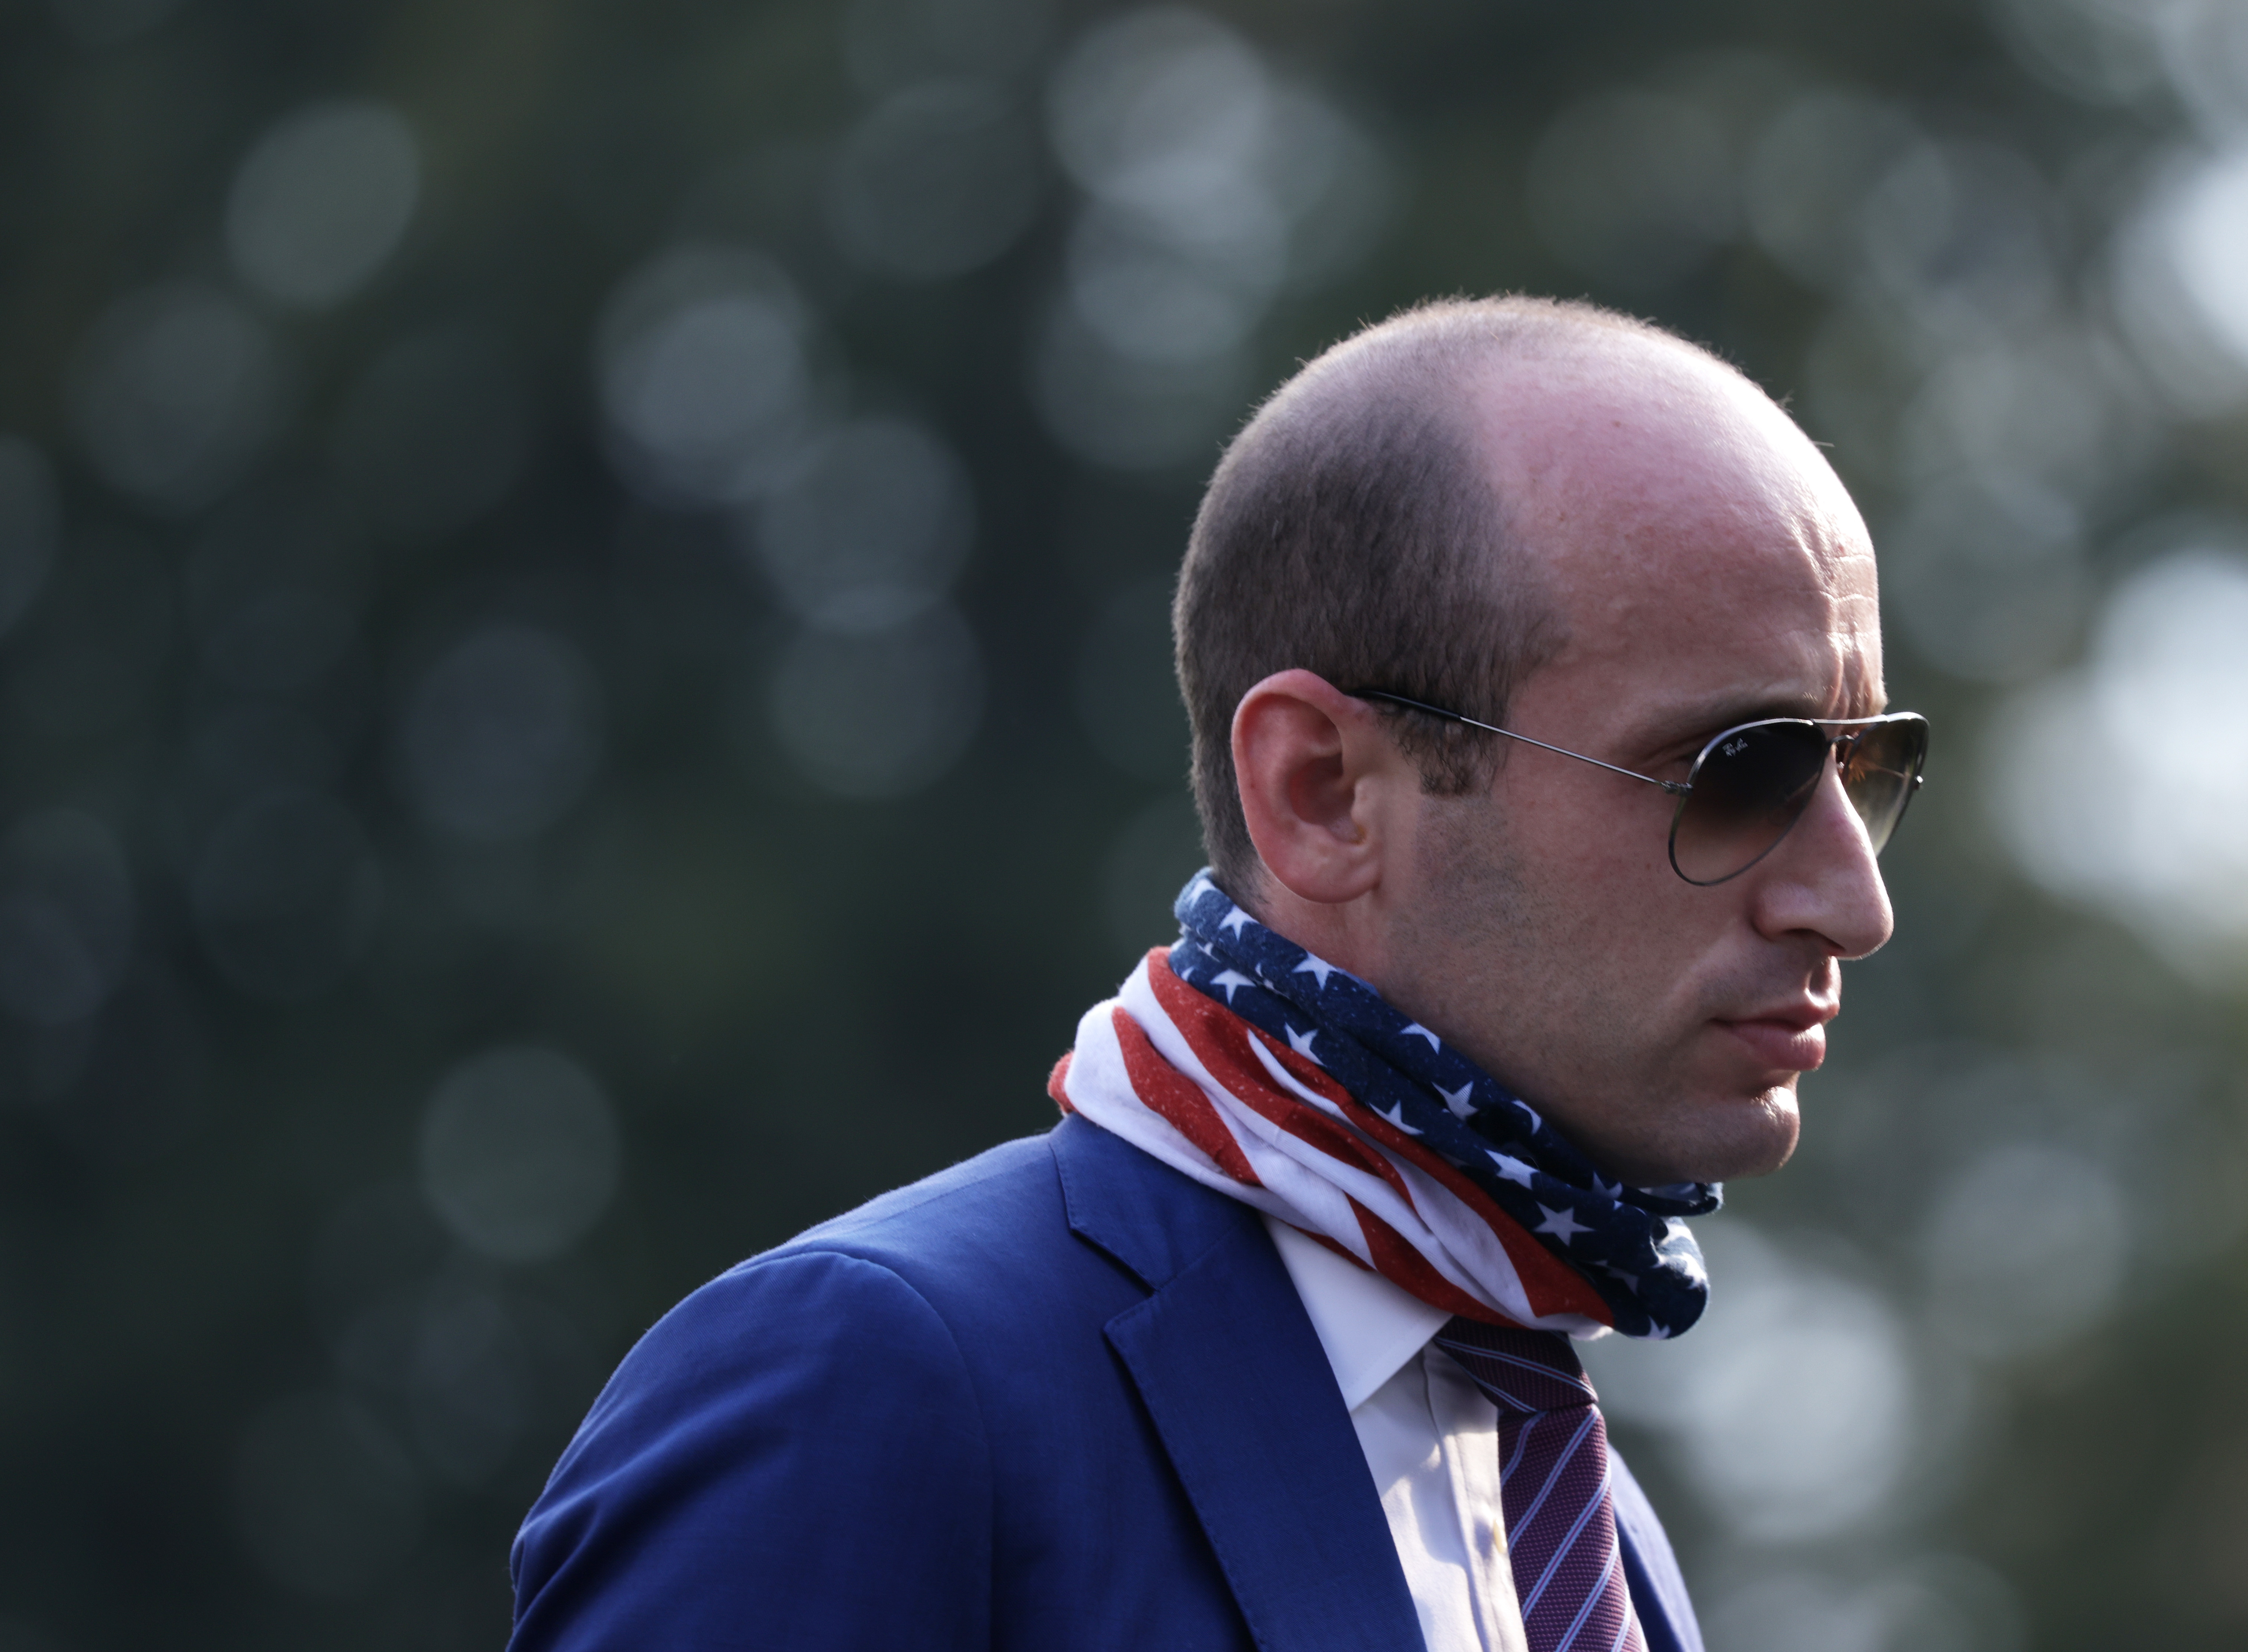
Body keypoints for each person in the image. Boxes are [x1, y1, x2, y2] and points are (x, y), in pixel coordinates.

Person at [506, 296, 1926, 1652]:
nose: (1850, 904)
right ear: (1319, 793)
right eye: (1736, 773)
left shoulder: (1582, 1514)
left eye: (1862, 769)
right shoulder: (877, 1383)